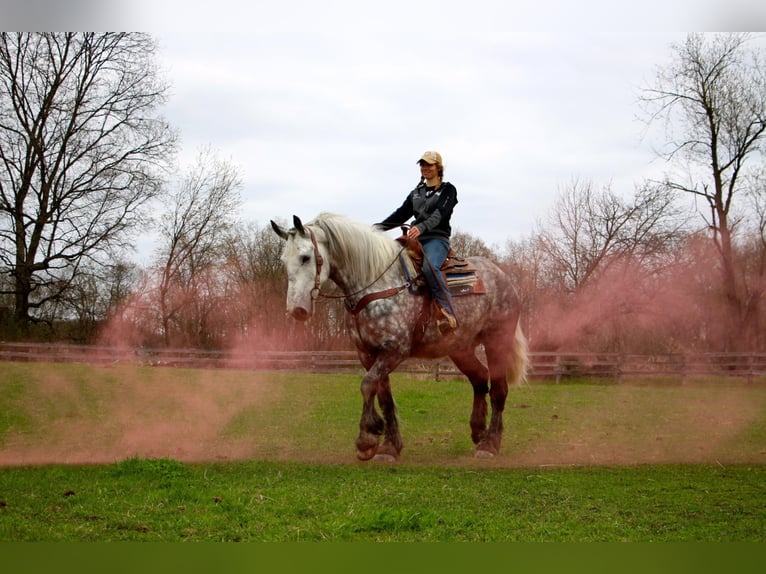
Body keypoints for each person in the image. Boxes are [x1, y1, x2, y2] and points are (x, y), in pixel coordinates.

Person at [376, 150, 459, 334]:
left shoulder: (448, 190)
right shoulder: (416, 193)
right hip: (414, 239)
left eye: (429, 164)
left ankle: (448, 311)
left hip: (436, 239)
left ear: (438, 168)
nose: (425, 168)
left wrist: (421, 227)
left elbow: (440, 215)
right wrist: (376, 229)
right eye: (422, 164)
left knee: (430, 268)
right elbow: (400, 214)